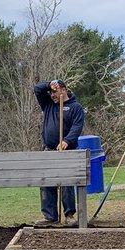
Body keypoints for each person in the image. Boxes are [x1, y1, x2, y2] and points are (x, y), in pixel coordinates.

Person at [33, 79, 85, 227]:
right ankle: (50, 217)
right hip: (49, 151)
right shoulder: (48, 105)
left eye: (55, 91)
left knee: (67, 183)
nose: (52, 95)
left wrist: (66, 141)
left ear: (63, 90)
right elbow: (37, 89)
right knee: (46, 182)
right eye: (51, 92)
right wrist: (49, 84)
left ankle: (69, 215)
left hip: (67, 151)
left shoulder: (76, 108)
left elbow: (77, 127)